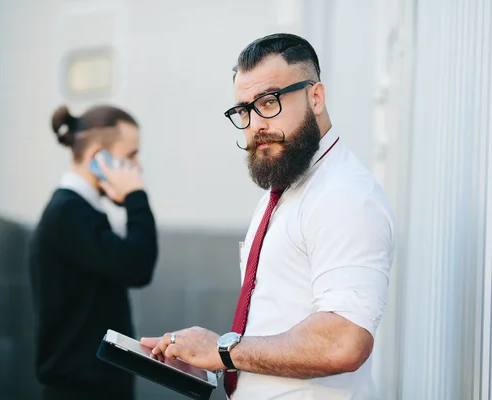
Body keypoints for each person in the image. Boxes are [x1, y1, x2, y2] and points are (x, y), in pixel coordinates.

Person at [141, 33, 395, 399]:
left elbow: (343, 341)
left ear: (316, 97)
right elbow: (278, 324)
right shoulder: (287, 186)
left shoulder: (345, 195)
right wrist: (213, 364)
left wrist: (223, 351)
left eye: (268, 101)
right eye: (244, 110)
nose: (255, 124)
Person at [29, 105, 159, 400]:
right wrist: (135, 196)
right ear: (97, 157)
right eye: (131, 155)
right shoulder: (69, 212)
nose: (138, 167)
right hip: (79, 392)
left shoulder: (78, 210)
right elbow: (138, 266)